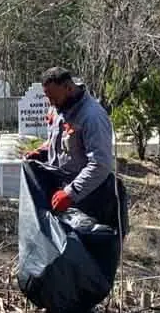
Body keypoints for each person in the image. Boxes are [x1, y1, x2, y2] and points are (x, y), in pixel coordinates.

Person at [23, 67, 119, 220]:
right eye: (48, 98)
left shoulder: (92, 117)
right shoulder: (59, 106)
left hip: (86, 198)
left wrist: (71, 193)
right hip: (60, 189)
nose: (51, 103)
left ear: (68, 88)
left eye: (54, 98)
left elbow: (100, 164)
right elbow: (57, 140)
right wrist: (42, 151)